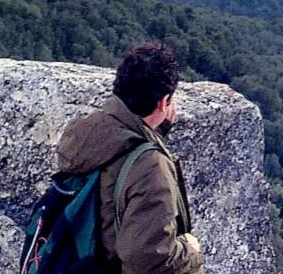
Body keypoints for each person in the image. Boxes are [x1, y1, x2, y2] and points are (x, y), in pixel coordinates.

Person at [53, 42, 204, 274]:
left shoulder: (82, 133)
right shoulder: (152, 167)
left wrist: (154, 132)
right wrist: (190, 251)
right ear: (163, 102)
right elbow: (147, 260)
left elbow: (112, 175)